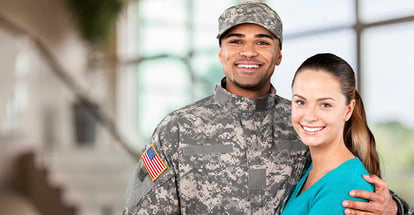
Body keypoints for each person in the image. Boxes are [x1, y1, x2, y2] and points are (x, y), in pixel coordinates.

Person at [123, 2, 413, 215]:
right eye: (236, 41)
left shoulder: (304, 123)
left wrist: (395, 209)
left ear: (279, 55)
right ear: (221, 54)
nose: (248, 52)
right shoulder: (177, 129)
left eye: (262, 42)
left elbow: (353, 184)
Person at [280, 53, 380, 214]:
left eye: (325, 105)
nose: (310, 116)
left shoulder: (345, 186)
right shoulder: (312, 169)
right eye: (300, 102)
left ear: (348, 110)